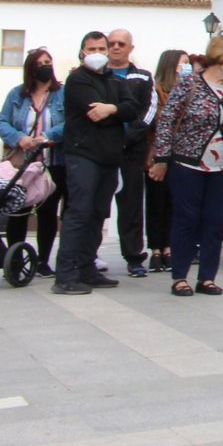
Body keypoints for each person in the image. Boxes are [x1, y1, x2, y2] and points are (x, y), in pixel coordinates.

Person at [150, 36, 223, 297]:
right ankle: (179, 276)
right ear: (221, 57)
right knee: (186, 219)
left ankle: (207, 277)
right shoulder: (188, 83)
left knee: (215, 221)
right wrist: (161, 158)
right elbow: (166, 121)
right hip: (187, 163)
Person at [53, 32, 141, 295]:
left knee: (98, 214)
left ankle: (87, 268)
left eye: (101, 48)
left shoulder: (115, 79)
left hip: (110, 157)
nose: (98, 52)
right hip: (83, 155)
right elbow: (94, 113)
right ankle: (65, 275)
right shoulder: (77, 79)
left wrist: (111, 109)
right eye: (92, 48)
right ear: (82, 52)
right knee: (79, 212)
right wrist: (114, 110)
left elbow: (132, 109)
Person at [0, 47, 66, 275]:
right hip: (23, 164)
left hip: (53, 161)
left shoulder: (62, 93)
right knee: (18, 211)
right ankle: (15, 261)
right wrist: (19, 138)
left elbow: (72, 122)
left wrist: (49, 136)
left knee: (48, 212)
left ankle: (42, 262)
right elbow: (2, 122)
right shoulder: (17, 94)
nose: (45, 66)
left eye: (48, 61)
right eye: (39, 63)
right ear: (30, 69)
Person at [107, 29, 156, 278]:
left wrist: (128, 138)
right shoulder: (95, 75)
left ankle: (134, 257)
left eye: (121, 43)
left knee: (131, 206)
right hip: (100, 151)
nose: (116, 47)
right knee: (94, 205)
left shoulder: (143, 77)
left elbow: (148, 110)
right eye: (112, 43)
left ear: (130, 48)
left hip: (131, 151)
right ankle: (87, 256)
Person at [145, 50, 188, 273]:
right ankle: (155, 249)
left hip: (181, 154)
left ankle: (170, 248)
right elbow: (157, 119)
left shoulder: (189, 90)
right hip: (158, 153)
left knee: (175, 203)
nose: (187, 67)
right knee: (156, 203)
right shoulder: (156, 89)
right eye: (184, 63)